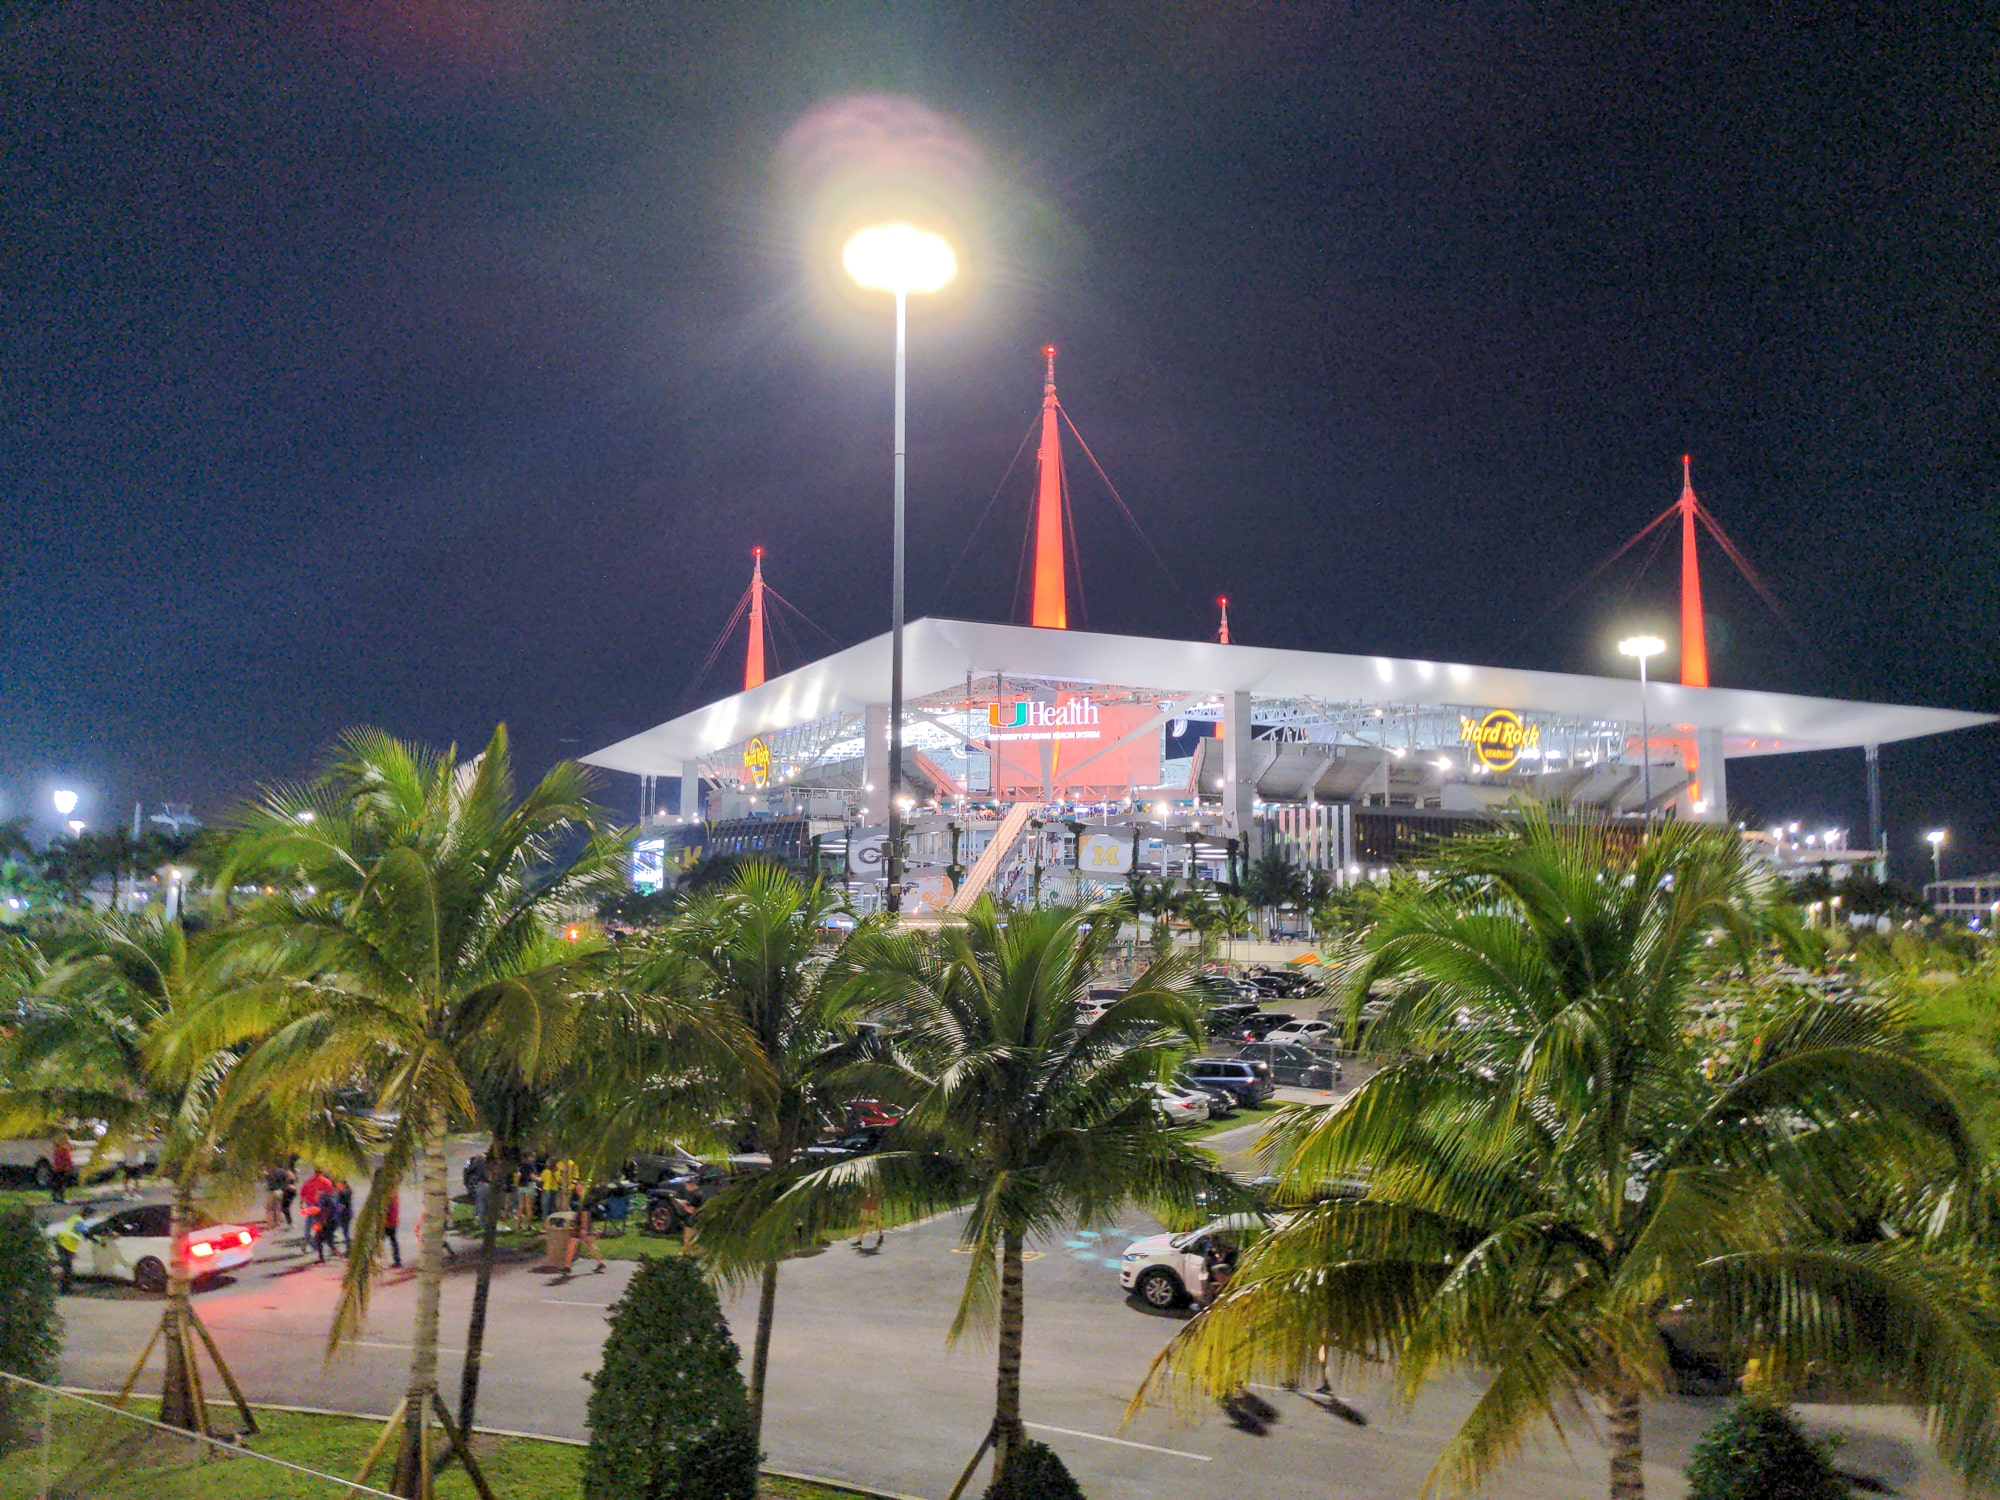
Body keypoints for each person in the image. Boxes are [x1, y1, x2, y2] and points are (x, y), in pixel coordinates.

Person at [563, 1187, 606, 1276]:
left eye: (580, 1189)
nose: (578, 1191)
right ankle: (600, 1262)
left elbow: (584, 1213)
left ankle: (567, 1266)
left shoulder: (584, 1201)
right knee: (589, 1244)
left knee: (572, 1244)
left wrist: (583, 1228)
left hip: (581, 1224)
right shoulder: (586, 1200)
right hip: (583, 1223)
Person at [298, 1165, 333, 1253]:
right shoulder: (327, 1182)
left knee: (308, 1226)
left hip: (310, 1207)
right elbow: (330, 1195)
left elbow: (302, 1194)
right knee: (322, 1226)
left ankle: (307, 1242)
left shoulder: (308, 1182)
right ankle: (326, 1245)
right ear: (322, 1172)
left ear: (314, 1172)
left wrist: (301, 1205)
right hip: (321, 1207)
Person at [48, 1133, 73, 1204]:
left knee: (56, 1184)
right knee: (62, 1184)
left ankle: (55, 1198)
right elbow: (68, 1159)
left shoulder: (57, 1149)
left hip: (57, 1168)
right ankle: (61, 1198)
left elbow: (56, 1159)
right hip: (63, 1169)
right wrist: (70, 1166)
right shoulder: (65, 1149)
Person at [381, 1188, 402, 1269]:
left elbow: (387, 1213)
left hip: (388, 1224)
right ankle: (397, 1260)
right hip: (393, 1224)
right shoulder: (395, 1199)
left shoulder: (390, 1201)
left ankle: (378, 1261)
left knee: (380, 1242)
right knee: (394, 1242)